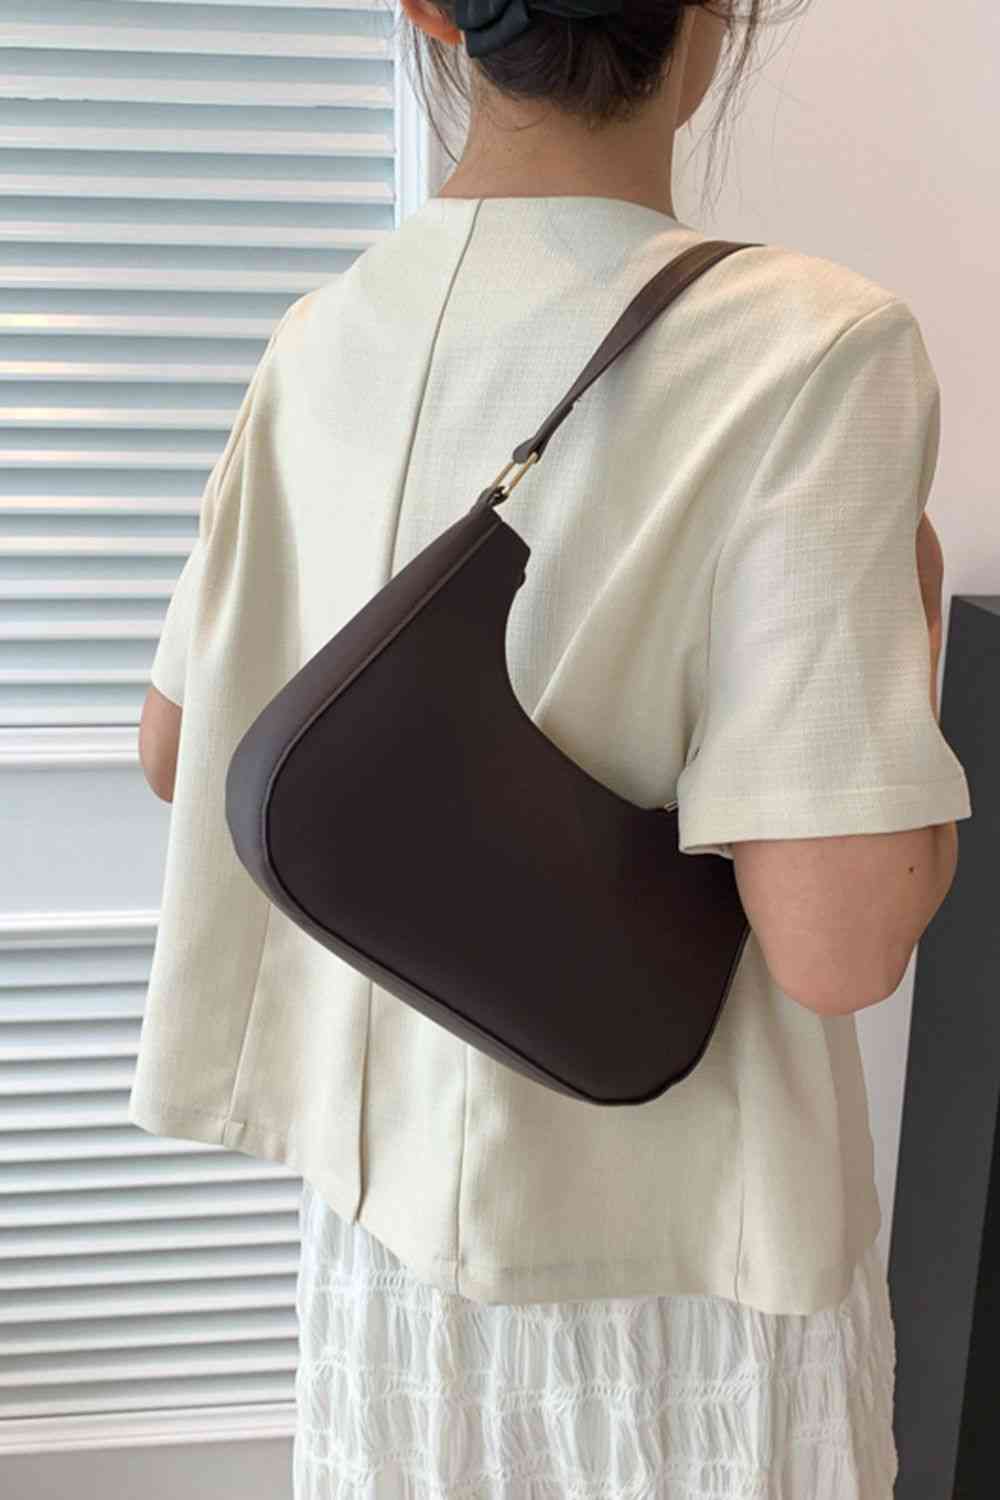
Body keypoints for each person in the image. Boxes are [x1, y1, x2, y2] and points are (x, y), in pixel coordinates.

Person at [134, 1, 971, 1495]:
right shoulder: (815, 348)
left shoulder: (318, 341)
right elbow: (840, 944)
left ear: (429, 10)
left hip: (387, 1262)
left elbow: (177, 752)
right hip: (692, 1276)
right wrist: (908, 612)